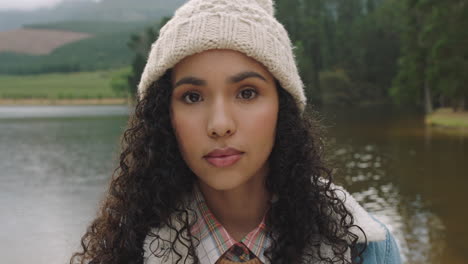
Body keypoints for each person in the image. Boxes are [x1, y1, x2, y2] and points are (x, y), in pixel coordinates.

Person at [70, 0, 402, 263]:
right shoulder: (123, 250)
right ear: (164, 116)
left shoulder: (366, 250)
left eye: (246, 93)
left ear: (282, 108)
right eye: (192, 96)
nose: (219, 125)